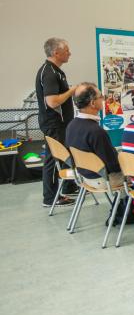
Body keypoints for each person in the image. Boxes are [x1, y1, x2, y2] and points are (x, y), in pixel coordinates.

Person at [35, 37, 77, 207]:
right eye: (67, 50)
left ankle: (69, 186)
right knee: (53, 159)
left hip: (62, 123)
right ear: (56, 52)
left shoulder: (57, 70)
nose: (70, 53)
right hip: (53, 123)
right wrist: (72, 90)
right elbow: (52, 102)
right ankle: (50, 197)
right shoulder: (49, 72)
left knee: (67, 153)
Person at [65, 83, 123, 189]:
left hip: (84, 177)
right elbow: (113, 166)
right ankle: (127, 205)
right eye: (101, 97)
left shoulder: (71, 125)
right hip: (103, 179)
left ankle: (124, 204)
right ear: (92, 103)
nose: (103, 99)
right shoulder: (96, 131)